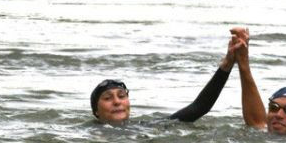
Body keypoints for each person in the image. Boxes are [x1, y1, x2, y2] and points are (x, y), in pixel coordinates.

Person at [90, 30, 247, 125]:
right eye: (108, 98)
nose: (117, 102)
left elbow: (199, 108)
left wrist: (226, 65)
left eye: (122, 96)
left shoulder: (145, 127)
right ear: (96, 111)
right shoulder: (86, 133)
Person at [233, 27, 286, 134]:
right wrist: (242, 60)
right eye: (274, 108)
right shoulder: (260, 137)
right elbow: (256, 122)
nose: (278, 115)